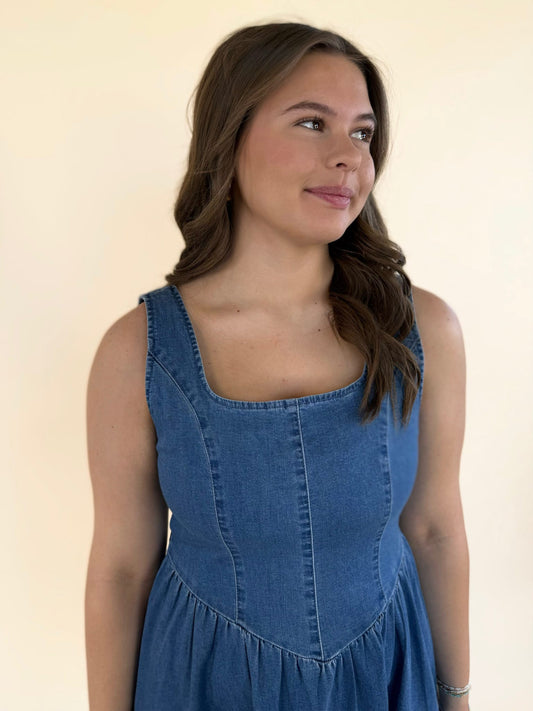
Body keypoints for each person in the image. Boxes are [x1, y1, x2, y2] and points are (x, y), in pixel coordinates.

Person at [85, 21, 470, 711]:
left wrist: (457, 696)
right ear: (228, 139)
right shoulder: (138, 350)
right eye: (312, 123)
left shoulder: (422, 330)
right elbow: (119, 568)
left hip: (383, 679)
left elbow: (436, 531)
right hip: (202, 685)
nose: (347, 157)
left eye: (361, 133)